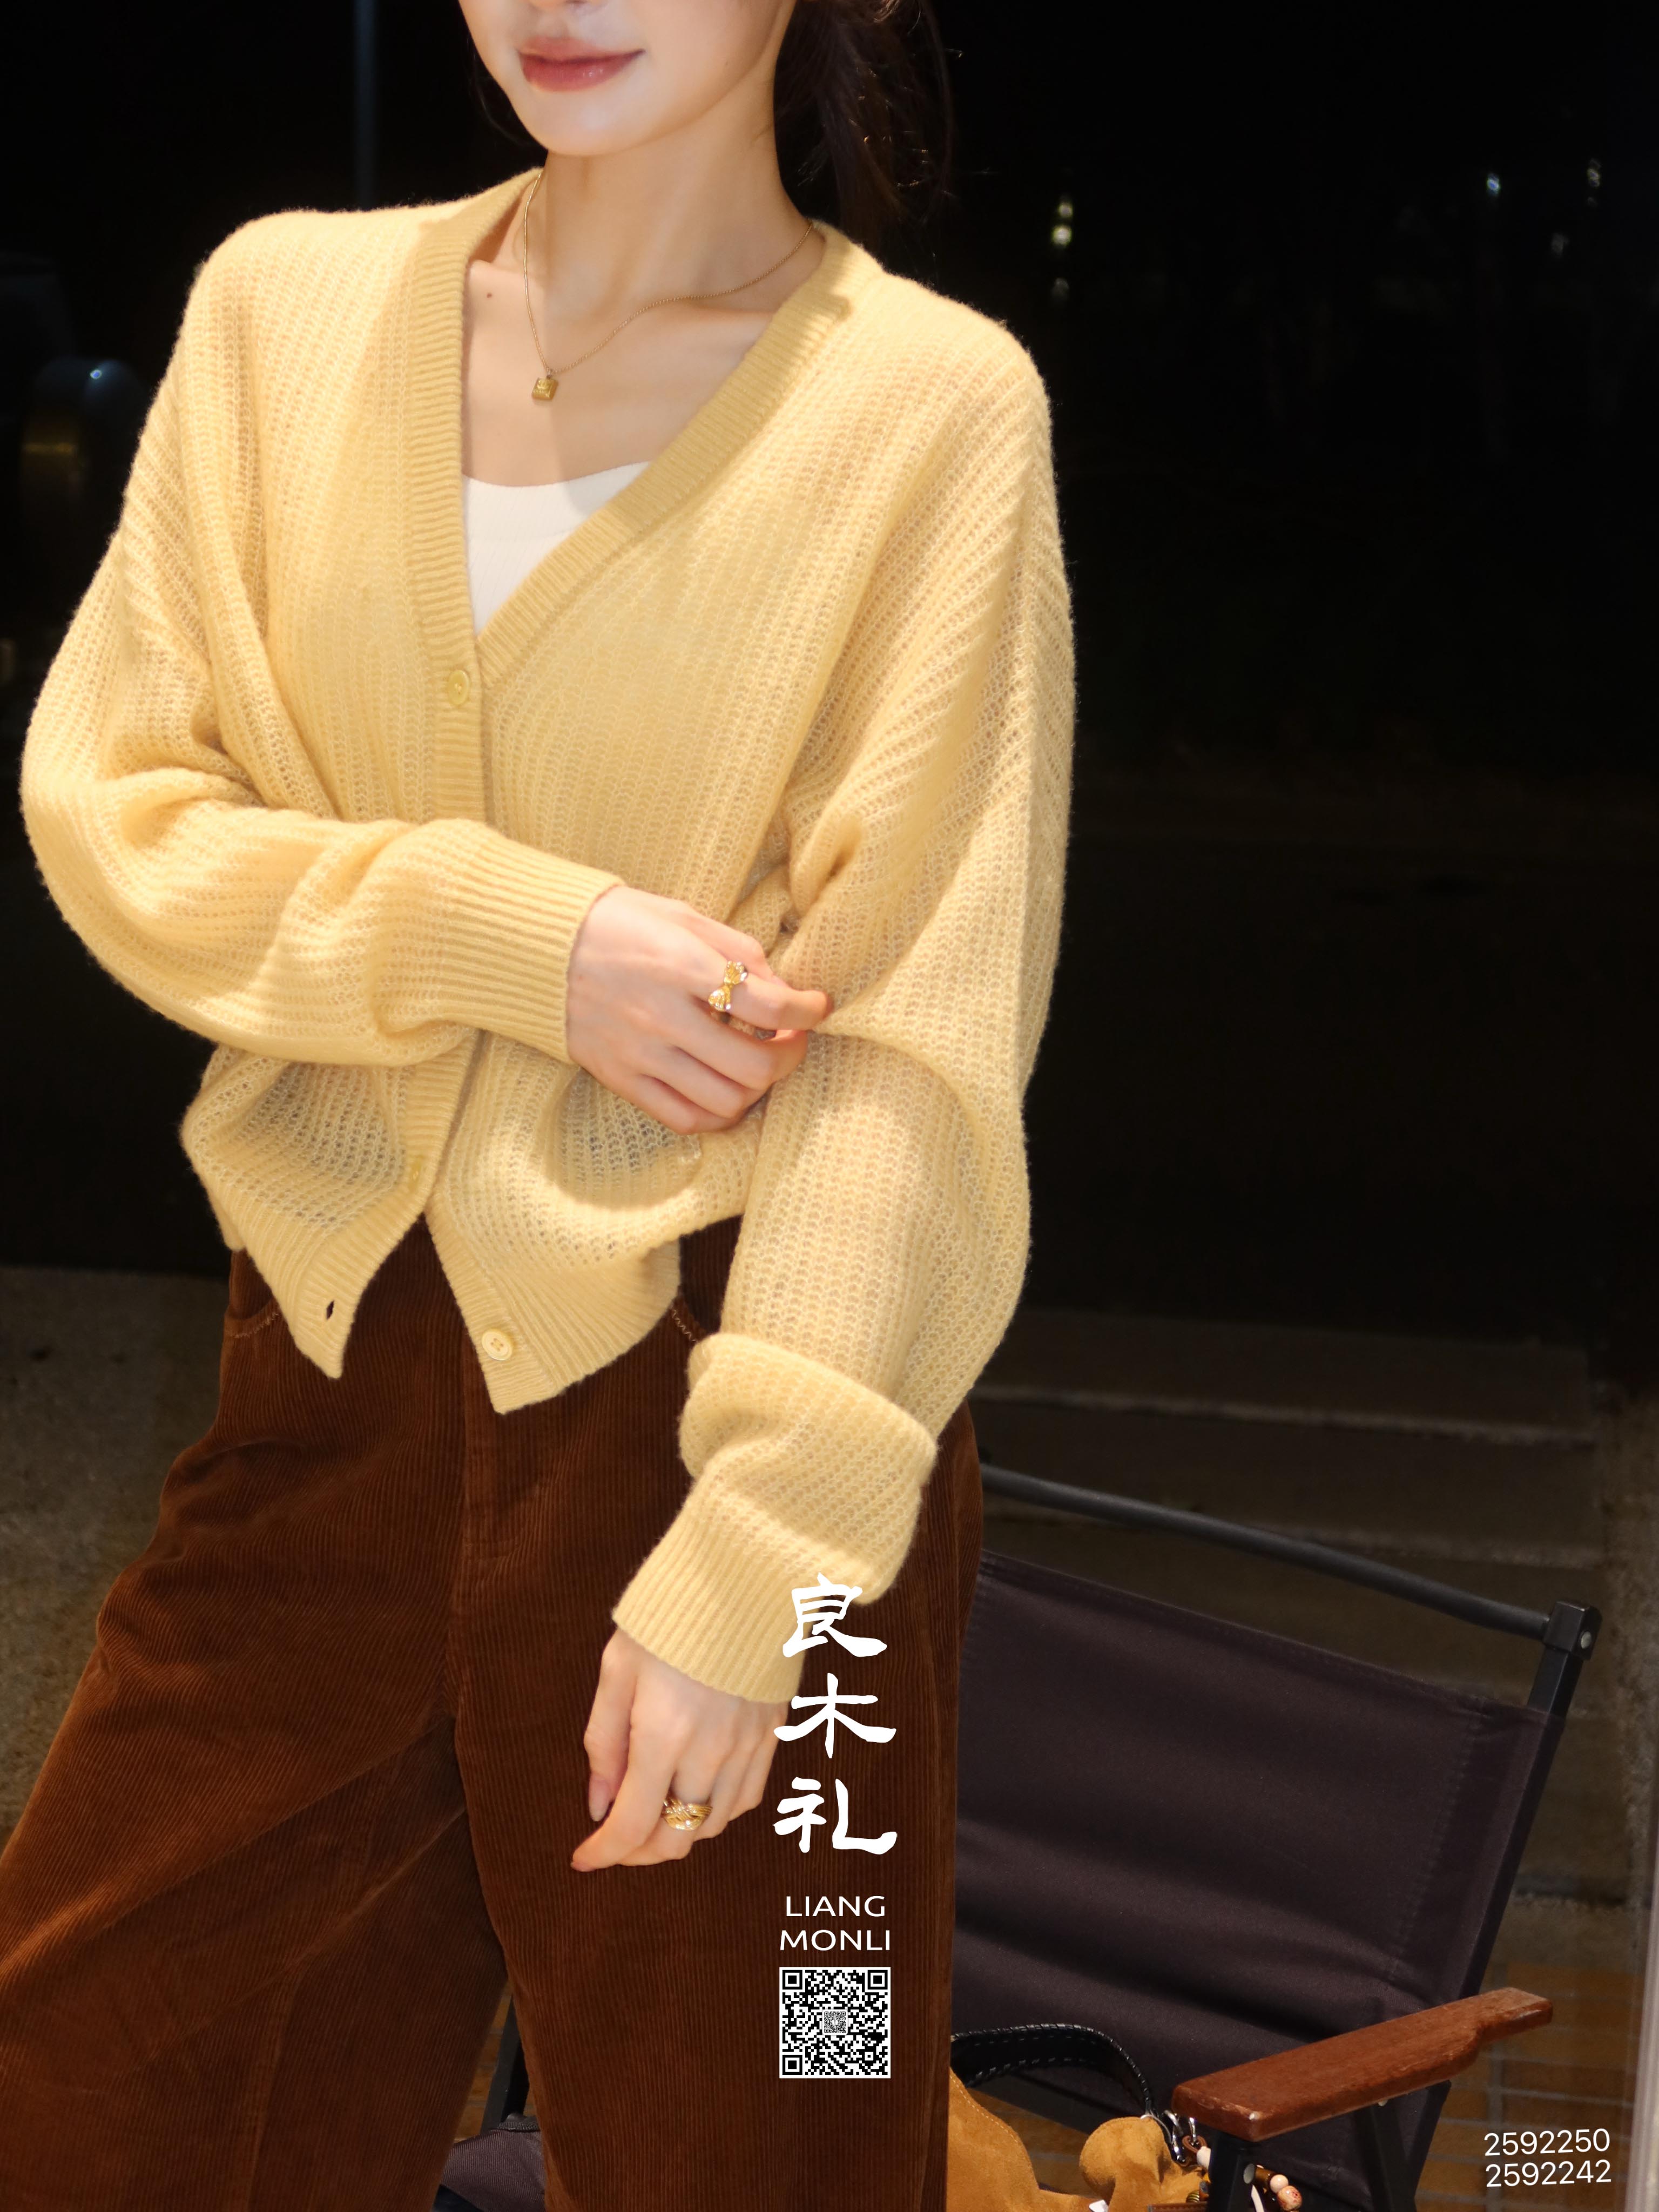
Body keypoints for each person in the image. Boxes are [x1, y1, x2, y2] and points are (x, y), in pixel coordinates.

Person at [0, 0, 1074, 2204]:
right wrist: (513, 936)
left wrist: (761, 1572)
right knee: (91, 2097)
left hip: (754, 1426)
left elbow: (914, 1052)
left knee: (782, 2140)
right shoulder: (282, 316)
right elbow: (115, 805)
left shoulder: (931, 411)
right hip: (325, 1393)